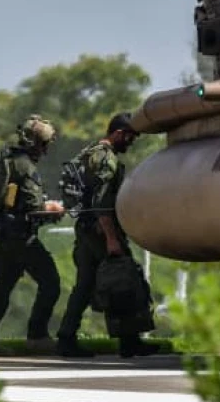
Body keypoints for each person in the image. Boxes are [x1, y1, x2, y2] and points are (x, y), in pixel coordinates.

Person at [55, 113, 160, 358]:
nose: (131, 142)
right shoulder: (106, 160)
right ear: (119, 133)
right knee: (123, 280)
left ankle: (66, 338)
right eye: (130, 137)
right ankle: (129, 342)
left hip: (85, 229)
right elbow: (102, 202)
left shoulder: (89, 152)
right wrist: (112, 239)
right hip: (101, 232)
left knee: (84, 286)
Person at [0, 115, 65, 356]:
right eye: (44, 145)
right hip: (20, 238)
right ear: (36, 143)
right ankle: (37, 336)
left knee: (1, 288)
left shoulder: (7, 161)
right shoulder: (24, 166)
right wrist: (53, 209)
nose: (45, 151)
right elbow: (33, 206)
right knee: (51, 283)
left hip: (4, 236)